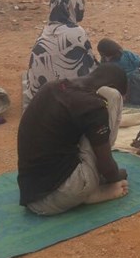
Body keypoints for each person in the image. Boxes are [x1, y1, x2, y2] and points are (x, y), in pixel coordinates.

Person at [18, 63, 129, 215]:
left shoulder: (52, 87)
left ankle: (83, 189)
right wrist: (115, 175)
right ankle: (87, 190)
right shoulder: (93, 106)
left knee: (88, 130)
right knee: (113, 98)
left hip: (31, 195)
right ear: (109, 86)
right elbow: (106, 166)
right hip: (61, 194)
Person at [25, 0, 98, 107]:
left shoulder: (46, 31)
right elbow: (90, 66)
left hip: (38, 98)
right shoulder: (77, 32)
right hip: (68, 99)